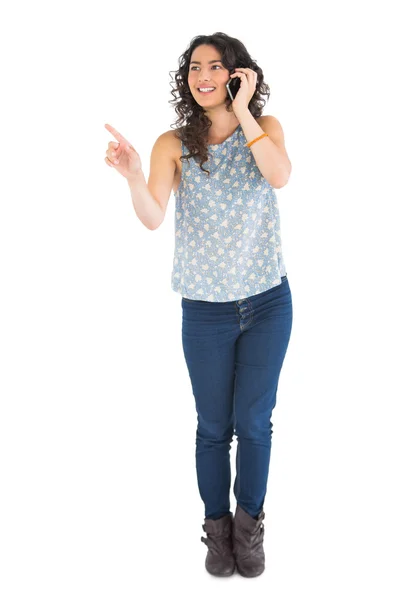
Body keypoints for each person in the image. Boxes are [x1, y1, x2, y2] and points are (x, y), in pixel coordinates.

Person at [104, 31, 293, 579]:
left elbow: (279, 176)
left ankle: (249, 527)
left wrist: (244, 112)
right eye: (194, 68)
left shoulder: (267, 130)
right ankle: (216, 531)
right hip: (206, 311)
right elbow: (153, 216)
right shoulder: (174, 142)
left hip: (267, 302)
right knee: (213, 427)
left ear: (239, 74)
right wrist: (135, 174)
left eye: (216, 66)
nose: (202, 76)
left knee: (255, 423)